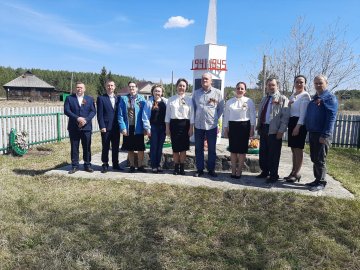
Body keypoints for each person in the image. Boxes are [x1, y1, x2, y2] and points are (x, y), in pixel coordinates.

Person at [305, 75, 338, 191]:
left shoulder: (329, 98)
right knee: (314, 158)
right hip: (313, 132)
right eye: (316, 83)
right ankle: (316, 179)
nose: (318, 85)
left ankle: (321, 182)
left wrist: (325, 135)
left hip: (322, 134)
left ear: (326, 83)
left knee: (320, 159)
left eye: (320, 83)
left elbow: (331, 117)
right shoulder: (315, 98)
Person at [256, 78, 289, 183]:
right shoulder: (264, 99)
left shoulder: (283, 99)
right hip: (264, 128)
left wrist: (281, 130)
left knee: (273, 154)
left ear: (277, 86)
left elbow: (285, 116)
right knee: (263, 152)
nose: (271, 87)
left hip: (275, 130)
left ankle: (274, 175)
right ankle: (265, 172)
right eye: (269, 85)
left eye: (273, 85)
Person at [192, 72, 224, 177]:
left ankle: (211, 170)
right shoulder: (196, 93)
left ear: (211, 81)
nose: (204, 80)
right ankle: (200, 169)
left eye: (206, 79)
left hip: (211, 126)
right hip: (199, 125)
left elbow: (220, 109)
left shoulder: (217, 93)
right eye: (203, 79)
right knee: (198, 148)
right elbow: (194, 109)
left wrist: (214, 119)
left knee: (211, 149)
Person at [224, 82, 256, 179]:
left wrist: (252, 128)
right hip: (233, 126)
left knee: (242, 151)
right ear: (235, 89)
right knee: (233, 150)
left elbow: (252, 115)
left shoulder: (249, 101)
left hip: (244, 126)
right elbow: (226, 116)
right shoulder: (229, 101)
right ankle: (233, 171)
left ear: (245, 90)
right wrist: (226, 128)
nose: (240, 90)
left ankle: (239, 171)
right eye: (238, 88)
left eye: (242, 88)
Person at [64, 82, 96, 174]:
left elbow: (93, 111)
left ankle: (87, 165)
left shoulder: (89, 99)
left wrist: (85, 120)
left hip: (86, 128)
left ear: (84, 89)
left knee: (87, 147)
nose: (79, 89)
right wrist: (77, 118)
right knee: (74, 147)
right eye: (77, 87)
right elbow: (66, 110)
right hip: (74, 127)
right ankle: (75, 166)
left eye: (81, 87)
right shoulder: (69, 98)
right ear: (75, 89)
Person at [165, 78, 194, 175]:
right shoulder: (171, 99)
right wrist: (167, 128)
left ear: (186, 87)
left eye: (183, 86)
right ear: (176, 86)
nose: (181, 87)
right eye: (180, 85)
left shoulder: (189, 100)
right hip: (174, 125)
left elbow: (192, 115)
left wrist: (191, 128)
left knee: (183, 148)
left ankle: (182, 167)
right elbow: (168, 115)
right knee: (175, 148)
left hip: (185, 125)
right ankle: (176, 167)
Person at [285, 75, 311, 182]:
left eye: (301, 82)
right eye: (297, 82)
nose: (299, 84)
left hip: (299, 124)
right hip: (292, 122)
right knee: (293, 149)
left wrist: (298, 127)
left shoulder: (305, 96)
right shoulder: (293, 95)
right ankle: (293, 171)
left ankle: (297, 173)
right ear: (294, 83)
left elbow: (303, 114)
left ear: (305, 84)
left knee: (298, 149)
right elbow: (290, 110)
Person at [118, 81, 147, 173]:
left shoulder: (142, 99)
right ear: (128, 88)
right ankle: (132, 165)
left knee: (140, 148)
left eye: (133, 87)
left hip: (138, 127)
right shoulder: (123, 99)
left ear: (137, 88)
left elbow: (145, 114)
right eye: (130, 87)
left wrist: (145, 128)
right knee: (130, 148)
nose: (132, 88)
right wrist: (123, 127)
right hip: (128, 127)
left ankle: (140, 165)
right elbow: (120, 114)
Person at [96, 79, 121, 173]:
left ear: (114, 87)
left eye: (111, 85)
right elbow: (100, 114)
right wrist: (102, 126)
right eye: (108, 85)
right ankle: (105, 164)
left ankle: (115, 164)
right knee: (105, 146)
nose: (110, 87)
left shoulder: (119, 98)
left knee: (116, 146)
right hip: (106, 127)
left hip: (116, 127)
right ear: (105, 87)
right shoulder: (101, 98)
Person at [142, 84, 168, 173]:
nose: (157, 92)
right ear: (152, 92)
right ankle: (153, 165)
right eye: (155, 91)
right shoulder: (149, 102)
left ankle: (159, 165)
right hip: (153, 127)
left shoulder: (165, 102)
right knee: (154, 147)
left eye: (159, 91)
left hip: (163, 127)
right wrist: (147, 128)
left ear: (162, 92)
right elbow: (145, 116)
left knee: (160, 147)